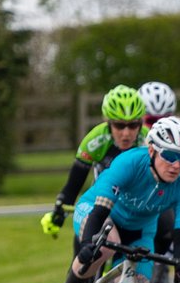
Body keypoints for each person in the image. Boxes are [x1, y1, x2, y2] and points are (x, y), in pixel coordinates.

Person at [47, 116, 180, 283]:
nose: (177, 165)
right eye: (170, 155)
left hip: (141, 230)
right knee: (104, 247)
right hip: (100, 212)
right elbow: (99, 212)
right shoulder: (129, 163)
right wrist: (89, 243)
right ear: (152, 150)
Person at [41, 85, 146, 245]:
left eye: (133, 125)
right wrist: (59, 212)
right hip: (101, 200)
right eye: (119, 125)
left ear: (140, 123)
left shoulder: (148, 140)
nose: (126, 133)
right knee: (85, 242)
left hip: (134, 205)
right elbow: (74, 183)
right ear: (108, 123)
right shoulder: (95, 140)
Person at [137, 81, 180, 283]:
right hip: (136, 190)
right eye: (150, 120)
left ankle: (168, 255)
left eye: (161, 119)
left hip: (166, 190)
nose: (154, 125)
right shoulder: (136, 136)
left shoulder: (178, 137)